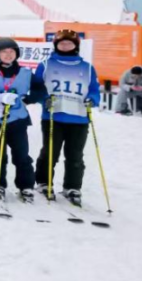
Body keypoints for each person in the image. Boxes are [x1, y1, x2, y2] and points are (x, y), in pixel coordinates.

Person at [34, 29, 101, 206]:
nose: (65, 46)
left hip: (79, 118)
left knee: (75, 155)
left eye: (69, 43)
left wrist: (92, 99)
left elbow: (94, 89)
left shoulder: (87, 67)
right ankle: (43, 182)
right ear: (56, 45)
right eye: (61, 43)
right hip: (53, 116)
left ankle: (72, 187)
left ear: (75, 45)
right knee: (50, 152)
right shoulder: (46, 65)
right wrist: (44, 99)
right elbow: (37, 88)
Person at [0, 37, 48, 202]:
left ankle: (26, 186)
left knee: (21, 154)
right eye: (4, 52)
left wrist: (29, 99)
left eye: (12, 51)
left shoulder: (25, 72)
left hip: (17, 119)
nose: (8, 55)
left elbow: (40, 89)